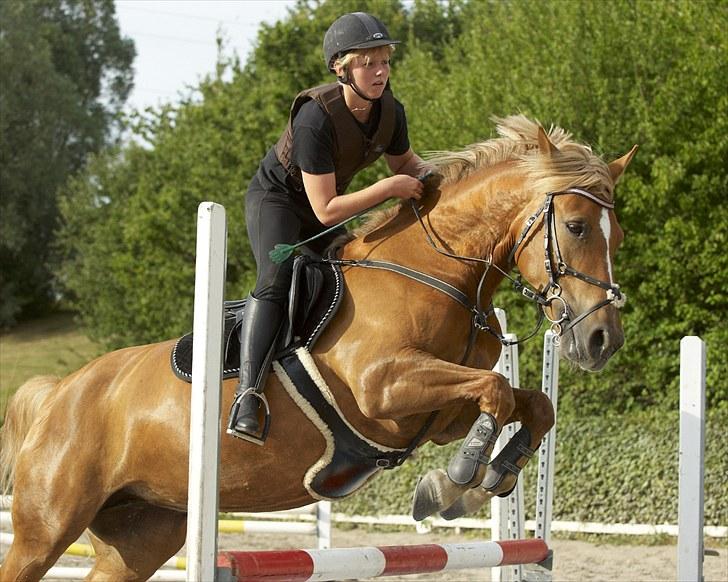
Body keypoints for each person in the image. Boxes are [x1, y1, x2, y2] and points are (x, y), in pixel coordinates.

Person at [227, 12, 428, 445]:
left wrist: (444, 180)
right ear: (341, 68)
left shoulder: (391, 112)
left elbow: (407, 165)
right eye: (368, 63)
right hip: (281, 201)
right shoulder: (315, 118)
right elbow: (325, 211)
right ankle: (248, 395)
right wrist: (390, 187)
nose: (380, 72)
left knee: (358, 267)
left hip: (328, 202)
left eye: (385, 61)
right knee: (277, 279)